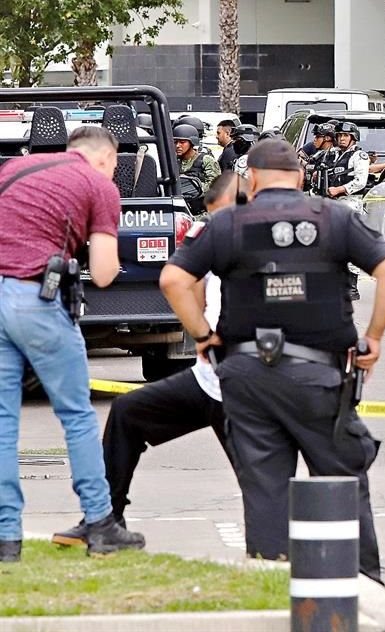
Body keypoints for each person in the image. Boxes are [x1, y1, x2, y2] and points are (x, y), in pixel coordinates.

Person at [159, 139, 385, 580]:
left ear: (250, 179)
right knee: (340, 481)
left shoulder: (227, 223)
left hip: (247, 376)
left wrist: (202, 335)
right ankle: (365, 590)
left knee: (265, 490)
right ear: (302, 177)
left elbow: (174, 278)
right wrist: (373, 338)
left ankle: (273, 585)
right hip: (319, 378)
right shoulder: (332, 218)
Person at [51, 172, 248, 548]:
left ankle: (273, 550)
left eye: (221, 215)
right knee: (128, 412)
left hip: (246, 386)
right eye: (211, 216)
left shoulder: (268, 243)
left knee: (259, 477)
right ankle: (104, 522)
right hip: (208, 378)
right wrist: (202, 327)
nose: (216, 224)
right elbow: (184, 281)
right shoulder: (212, 240)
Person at [0, 126, 146, 561]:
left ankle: (7, 539)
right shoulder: (97, 184)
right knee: (77, 414)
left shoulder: (14, 168)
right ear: (106, 159)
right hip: (34, 301)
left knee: (4, 424)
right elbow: (102, 272)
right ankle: (101, 523)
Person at [326, 121, 370, 301]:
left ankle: (352, 287)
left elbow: (361, 181)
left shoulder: (359, 156)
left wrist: (340, 189)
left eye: (345, 136)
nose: (342, 139)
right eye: (340, 136)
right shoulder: (336, 155)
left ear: (353, 137)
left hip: (351, 203)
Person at [175, 124, 221, 211]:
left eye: (182, 142)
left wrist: (193, 188)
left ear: (192, 143)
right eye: (175, 142)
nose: (178, 146)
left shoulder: (206, 160)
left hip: (202, 212)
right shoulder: (174, 162)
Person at [303, 123, 339, 195]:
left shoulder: (335, 155)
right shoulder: (321, 153)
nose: (314, 140)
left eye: (318, 137)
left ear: (327, 138)